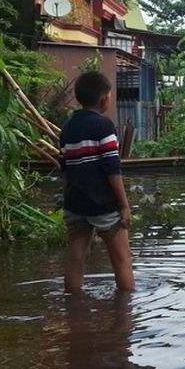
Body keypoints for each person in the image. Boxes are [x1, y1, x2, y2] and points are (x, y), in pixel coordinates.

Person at [59, 71, 134, 293]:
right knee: (122, 260)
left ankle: (73, 309)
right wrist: (123, 205)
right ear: (104, 99)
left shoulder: (67, 128)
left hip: (75, 203)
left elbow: (65, 167)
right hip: (103, 204)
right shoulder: (104, 126)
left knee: (76, 259)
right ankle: (127, 315)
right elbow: (112, 169)